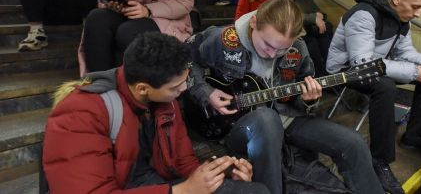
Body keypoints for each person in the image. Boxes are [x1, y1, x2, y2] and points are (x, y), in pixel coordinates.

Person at [187, 0, 384, 194]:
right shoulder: (223, 39)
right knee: (266, 117)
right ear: (254, 23)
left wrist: (310, 99)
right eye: (267, 45)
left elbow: (301, 94)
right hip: (234, 125)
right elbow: (184, 58)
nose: (272, 54)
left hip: (286, 116)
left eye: (282, 49)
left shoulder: (298, 48)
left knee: (353, 143)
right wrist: (206, 92)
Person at [43, 32, 270, 194]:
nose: (183, 90)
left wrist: (219, 174)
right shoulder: (81, 114)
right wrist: (183, 190)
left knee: (252, 190)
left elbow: (184, 161)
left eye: (185, 81)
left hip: (156, 184)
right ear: (143, 88)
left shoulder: (163, 99)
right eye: (175, 87)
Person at [326, 0, 421, 194]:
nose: (418, 13)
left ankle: (413, 136)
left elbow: (406, 52)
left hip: (376, 67)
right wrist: (415, 71)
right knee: (385, 86)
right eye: (416, 6)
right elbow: (362, 63)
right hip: (345, 70)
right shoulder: (363, 15)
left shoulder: (403, 21)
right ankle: (379, 161)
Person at [275, 0, 333, 77]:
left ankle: (331, 73)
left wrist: (321, 16)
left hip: (310, 29)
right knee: (312, 44)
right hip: (295, 33)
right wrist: (314, 18)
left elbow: (317, 11)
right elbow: (291, 16)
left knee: (325, 40)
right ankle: (319, 77)